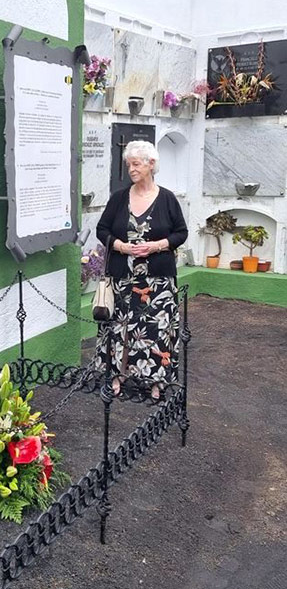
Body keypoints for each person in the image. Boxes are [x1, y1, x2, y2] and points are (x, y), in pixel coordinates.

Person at [94, 140, 188, 398]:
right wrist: (121, 246)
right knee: (118, 328)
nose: (132, 170)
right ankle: (115, 375)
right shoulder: (118, 198)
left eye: (136, 164)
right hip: (122, 277)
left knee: (156, 330)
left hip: (157, 281)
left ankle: (156, 380)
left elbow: (181, 232)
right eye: (129, 165)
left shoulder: (167, 199)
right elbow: (102, 229)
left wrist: (157, 246)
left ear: (151, 164)